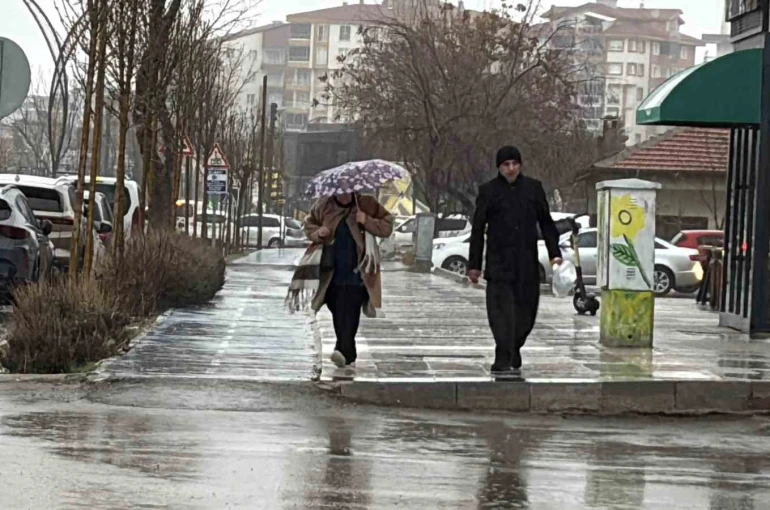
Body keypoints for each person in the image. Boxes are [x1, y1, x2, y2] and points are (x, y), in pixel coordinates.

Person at [468, 146, 563, 375]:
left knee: (526, 313)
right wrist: (474, 265)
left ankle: (515, 346)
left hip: (527, 263)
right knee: (501, 313)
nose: (511, 169)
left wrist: (554, 253)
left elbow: (546, 223)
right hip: (499, 264)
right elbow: (478, 228)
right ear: (499, 167)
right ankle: (503, 354)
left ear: (520, 165)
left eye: (514, 164)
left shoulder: (533, 189)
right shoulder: (488, 191)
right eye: (505, 165)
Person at [305, 193, 393, 369]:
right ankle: (346, 349)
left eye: (348, 187)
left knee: (351, 310)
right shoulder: (324, 205)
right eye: (340, 188)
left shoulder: (365, 203)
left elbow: (387, 226)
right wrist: (318, 232)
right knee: (337, 309)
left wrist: (366, 220)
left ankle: (344, 351)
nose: (344, 192)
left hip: (358, 271)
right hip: (331, 272)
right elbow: (309, 225)